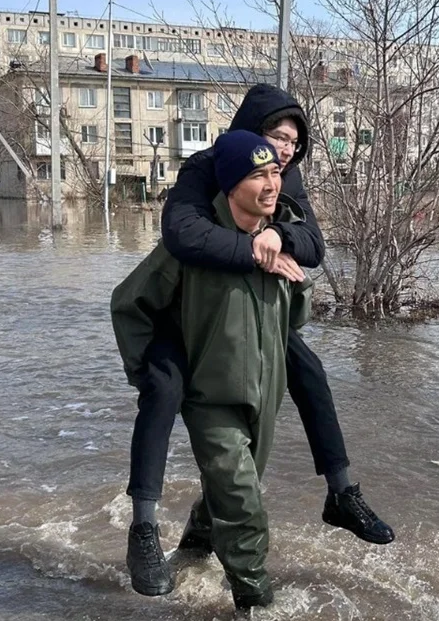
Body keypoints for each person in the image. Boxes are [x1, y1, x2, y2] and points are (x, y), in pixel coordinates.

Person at [121, 84, 394, 595]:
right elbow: (182, 235)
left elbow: (312, 244)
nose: (284, 155)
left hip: (242, 322)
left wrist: (279, 236)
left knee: (304, 374)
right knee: (163, 392)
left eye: (292, 144)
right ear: (248, 133)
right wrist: (253, 250)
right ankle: (143, 529)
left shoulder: (284, 178)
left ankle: (337, 492)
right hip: (183, 320)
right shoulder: (207, 167)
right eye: (275, 137)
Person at [111, 131, 312, 610]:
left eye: (276, 173)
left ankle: (193, 552)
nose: (271, 185)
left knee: (233, 487)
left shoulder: (280, 237)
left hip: (265, 396)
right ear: (229, 185)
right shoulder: (194, 248)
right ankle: (253, 598)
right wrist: (151, 376)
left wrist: (292, 278)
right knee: (243, 501)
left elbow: (295, 317)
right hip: (211, 398)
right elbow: (129, 303)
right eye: (258, 175)